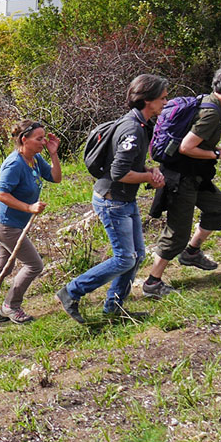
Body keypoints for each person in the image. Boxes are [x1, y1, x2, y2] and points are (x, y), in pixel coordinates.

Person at [58, 74, 169, 323]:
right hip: (112, 201)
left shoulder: (140, 124)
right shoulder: (132, 128)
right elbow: (120, 173)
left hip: (123, 200)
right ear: (147, 100)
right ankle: (71, 292)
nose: (165, 101)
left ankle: (114, 310)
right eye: (162, 97)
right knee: (124, 258)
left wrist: (149, 170)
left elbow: (128, 164)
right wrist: (148, 178)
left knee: (137, 255)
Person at [142, 67, 221, 298]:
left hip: (195, 176)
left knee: (219, 208)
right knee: (177, 233)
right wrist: (216, 154)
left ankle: (191, 253)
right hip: (180, 178)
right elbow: (186, 147)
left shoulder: (206, 101)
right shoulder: (211, 112)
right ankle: (153, 282)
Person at [0, 121, 62, 324]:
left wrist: (53, 154)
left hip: (12, 224)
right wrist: (29, 207)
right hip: (5, 224)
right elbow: (1, 194)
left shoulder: (35, 159)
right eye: (39, 139)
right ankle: (11, 306)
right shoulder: (14, 164)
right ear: (24, 139)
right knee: (34, 265)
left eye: (44, 138)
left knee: (3, 266)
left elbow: (56, 178)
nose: (43, 142)